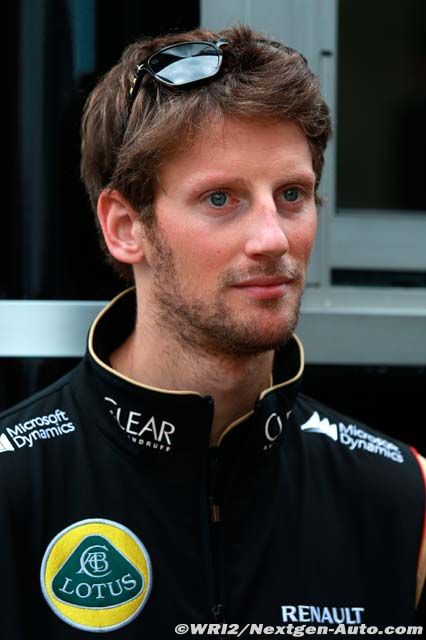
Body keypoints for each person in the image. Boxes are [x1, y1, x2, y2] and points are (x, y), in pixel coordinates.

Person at [0, 25, 425, 638]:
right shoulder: (16, 484)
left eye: (291, 194)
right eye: (221, 199)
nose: (273, 238)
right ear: (125, 227)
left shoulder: (403, 497)